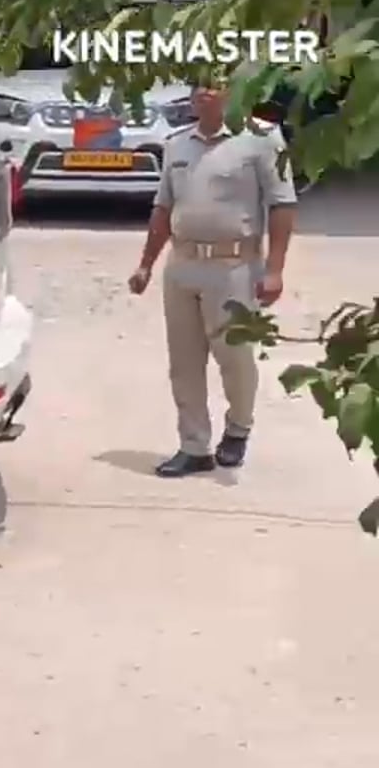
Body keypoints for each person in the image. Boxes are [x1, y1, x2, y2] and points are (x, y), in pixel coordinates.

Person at [128, 80, 298, 477]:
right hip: (183, 264)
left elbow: (282, 205)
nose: (204, 91)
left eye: (215, 84)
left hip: (234, 266)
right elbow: (162, 207)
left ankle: (238, 428)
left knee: (234, 357)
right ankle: (194, 446)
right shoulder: (177, 144)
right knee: (184, 363)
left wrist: (275, 269)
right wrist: (146, 264)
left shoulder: (261, 138)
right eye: (198, 85)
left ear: (234, 91)